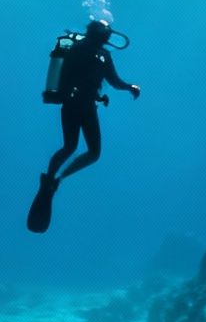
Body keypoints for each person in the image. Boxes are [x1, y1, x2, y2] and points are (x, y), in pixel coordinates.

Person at [41, 19, 140, 196]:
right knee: (89, 152)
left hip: (73, 104)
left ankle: (51, 179)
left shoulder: (82, 49)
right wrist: (129, 87)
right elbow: (114, 82)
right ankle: (55, 179)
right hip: (84, 106)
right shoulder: (98, 54)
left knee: (71, 147)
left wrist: (127, 87)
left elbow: (113, 81)